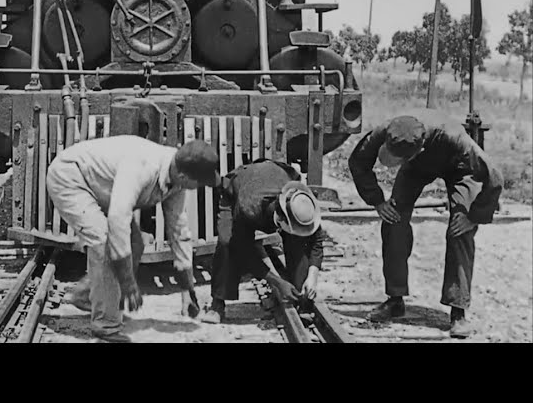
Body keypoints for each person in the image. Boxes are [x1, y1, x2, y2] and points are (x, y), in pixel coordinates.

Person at [46, 135, 221, 343]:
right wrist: (128, 283)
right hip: (70, 178)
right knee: (105, 243)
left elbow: (178, 230)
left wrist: (187, 289)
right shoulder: (143, 166)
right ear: (184, 176)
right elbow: (118, 218)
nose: (200, 188)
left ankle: (86, 296)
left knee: (135, 244)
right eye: (200, 183)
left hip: (101, 186)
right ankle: (106, 326)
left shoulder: (177, 180)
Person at [348, 108, 503, 338]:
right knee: (394, 218)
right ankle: (395, 299)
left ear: (418, 149)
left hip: (458, 167)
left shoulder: (453, 137)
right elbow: (358, 161)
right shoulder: (388, 130)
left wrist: (474, 216)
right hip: (417, 167)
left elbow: (495, 175)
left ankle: (458, 311)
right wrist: (378, 201)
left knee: (459, 230)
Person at [201, 159, 324, 324]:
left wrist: (312, 276)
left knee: (298, 241)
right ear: (281, 221)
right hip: (237, 192)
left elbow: (316, 241)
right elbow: (243, 249)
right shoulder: (248, 207)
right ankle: (217, 304)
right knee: (226, 243)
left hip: (273, 176)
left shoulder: (299, 203)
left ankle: (301, 296)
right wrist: (277, 282)